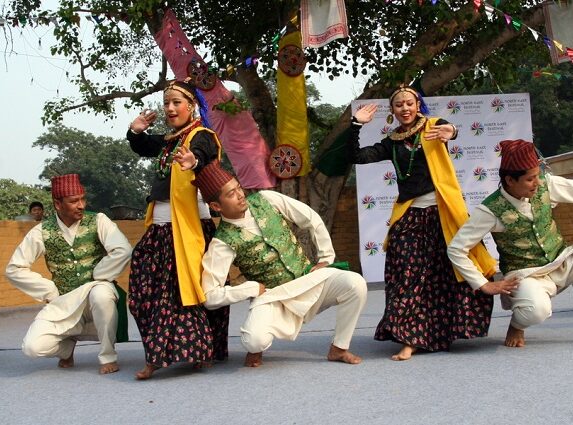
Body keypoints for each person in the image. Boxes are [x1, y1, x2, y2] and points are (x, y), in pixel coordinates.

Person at [347, 85, 497, 361]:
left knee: (447, 274)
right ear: (392, 111)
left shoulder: (433, 126)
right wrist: (356, 125)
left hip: (443, 214)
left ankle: (438, 334)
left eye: (409, 103)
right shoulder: (391, 142)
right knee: (406, 275)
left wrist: (451, 132)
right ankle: (409, 338)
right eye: (398, 105)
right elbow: (357, 156)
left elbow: (449, 129)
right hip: (410, 214)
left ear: (418, 105)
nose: (405, 108)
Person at [447, 139, 573, 348]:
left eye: (537, 176)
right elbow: (456, 248)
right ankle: (517, 324)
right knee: (537, 310)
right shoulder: (490, 210)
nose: (538, 182)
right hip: (526, 276)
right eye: (530, 179)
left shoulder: (546, 185)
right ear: (510, 180)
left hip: (562, 260)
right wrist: (483, 285)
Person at [194, 163, 367, 367]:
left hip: (308, 280)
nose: (240, 195)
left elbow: (311, 218)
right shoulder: (222, 242)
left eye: (238, 187)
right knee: (253, 339)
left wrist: (325, 259)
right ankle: (256, 349)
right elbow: (210, 296)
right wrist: (248, 289)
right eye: (231, 194)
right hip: (274, 297)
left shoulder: (266, 199)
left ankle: (339, 348)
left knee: (355, 284)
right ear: (216, 206)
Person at [125, 79, 229, 380]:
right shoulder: (169, 140)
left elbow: (202, 154)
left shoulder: (202, 137)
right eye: (167, 103)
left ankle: (178, 354)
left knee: (184, 292)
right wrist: (136, 130)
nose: (170, 109)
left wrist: (192, 160)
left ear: (191, 105)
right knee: (144, 292)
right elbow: (144, 147)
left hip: (189, 228)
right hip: (159, 228)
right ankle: (182, 350)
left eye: (176, 103)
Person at [6, 174, 132, 375]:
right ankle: (66, 348)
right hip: (64, 301)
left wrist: (100, 274)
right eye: (74, 201)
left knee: (102, 294)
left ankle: (108, 355)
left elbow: (123, 250)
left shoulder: (98, 220)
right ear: (57, 204)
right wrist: (48, 290)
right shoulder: (42, 231)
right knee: (32, 347)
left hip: (94, 293)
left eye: (83, 199)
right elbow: (14, 268)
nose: (81, 205)